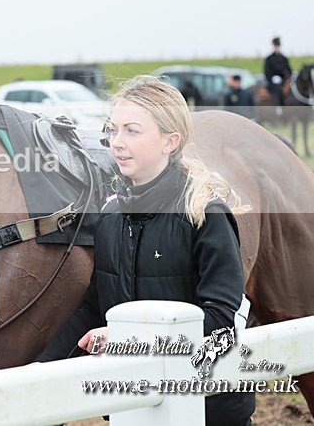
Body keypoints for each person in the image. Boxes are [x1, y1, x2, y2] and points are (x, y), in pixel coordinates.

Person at [35, 76, 254, 425]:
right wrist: (38, 373)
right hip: (134, 408)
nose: (116, 142)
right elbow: (96, 309)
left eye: (132, 131)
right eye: (113, 130)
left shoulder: (206, 216)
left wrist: (125, 339)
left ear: (170, 141)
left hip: (206, 410)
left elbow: (220, 321)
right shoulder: (110, 217)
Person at [263, 37, 292, 113]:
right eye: (276, 47)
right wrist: (272, 78)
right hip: (272, 81)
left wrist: (287, 76)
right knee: (277, 89)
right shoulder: (269, 59)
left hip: (283, 80)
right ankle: (278, 106)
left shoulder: (284, 58)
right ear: (274, 47)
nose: (277, 48)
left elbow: (289, 70)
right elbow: (266, 71)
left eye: (278, 47)